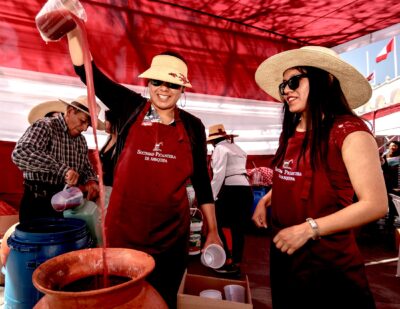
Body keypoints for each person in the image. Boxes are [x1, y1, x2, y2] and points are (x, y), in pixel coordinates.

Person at [65, 26, 222, 308]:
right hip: (125, 236)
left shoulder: (193, 126)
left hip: (171, 241)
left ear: (183, 88)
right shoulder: (130, 107)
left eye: (172, 84)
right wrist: (73, 28)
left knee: (163, 301)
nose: (164, 89)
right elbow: (87, 72)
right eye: (157, 82)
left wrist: (213, 230)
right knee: (122, 300)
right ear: (148, 84)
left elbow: (202, 181)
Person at [252, 46, 388, 309]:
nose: (286, 91)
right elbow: (292, 175)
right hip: (286, 258)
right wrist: (266, 201)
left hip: (328, 268)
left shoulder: (349, 131)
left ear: (325, 81)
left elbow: (375, 204)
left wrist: (308, 229)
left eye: (293, 82)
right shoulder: (291, 132)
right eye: (283, 86)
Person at [12, 96, 101, 224]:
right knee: (37, 241)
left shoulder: (81, 140)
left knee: (63, 242)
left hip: (67, 202)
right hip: (38, 201)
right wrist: (63, 170)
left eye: (89, 125)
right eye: (83, 121)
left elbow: (85, 167)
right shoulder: (45, 126)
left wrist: (91, 180)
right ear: (70, 111)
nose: (85, 128)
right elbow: (21, 153)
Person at [207, 124, 253, 275]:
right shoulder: (237, 148)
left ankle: (225, 257)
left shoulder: (220, 149)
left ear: (213, 140)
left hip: (232, 189)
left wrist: (210, 198)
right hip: (245, 189)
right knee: (238, 228)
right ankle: (236, 262)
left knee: (216, 221)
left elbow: (219, 174)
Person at [99, 109, 118, 187]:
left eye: (106, 120)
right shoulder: (109, 138)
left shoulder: (121, 144)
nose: (104, 123)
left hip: (112, 186)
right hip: (103, 184)